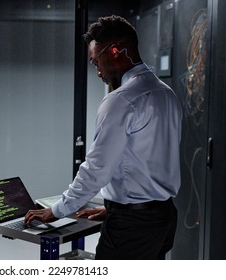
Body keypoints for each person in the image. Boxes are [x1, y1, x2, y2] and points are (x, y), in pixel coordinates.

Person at [24, 15, 182, 260]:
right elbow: (147, 162)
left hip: (132, 229)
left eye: (96, 61)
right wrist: (113, 208)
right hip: (162, 219)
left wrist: (57, 211)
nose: (97, 71)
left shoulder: (121, 100)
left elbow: (96, 170)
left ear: (116, 51)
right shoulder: (167, 94)